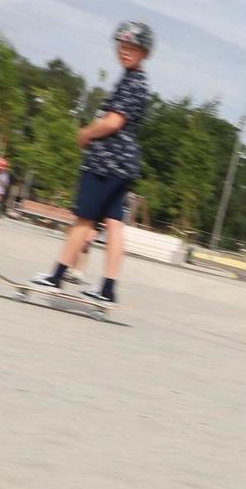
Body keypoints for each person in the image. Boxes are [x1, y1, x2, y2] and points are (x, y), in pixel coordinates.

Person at [29, 21, 153, 305]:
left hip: (107, 162)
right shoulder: (136, 81)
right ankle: (108, 289)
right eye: (121, 46)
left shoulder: (132, 82)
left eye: (132, 47)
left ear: (144, 52)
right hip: (124, 163)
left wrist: (87, 132)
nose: (124, 51)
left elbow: (114, 121)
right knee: (113, 223)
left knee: (84, 219)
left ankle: (56, 277)